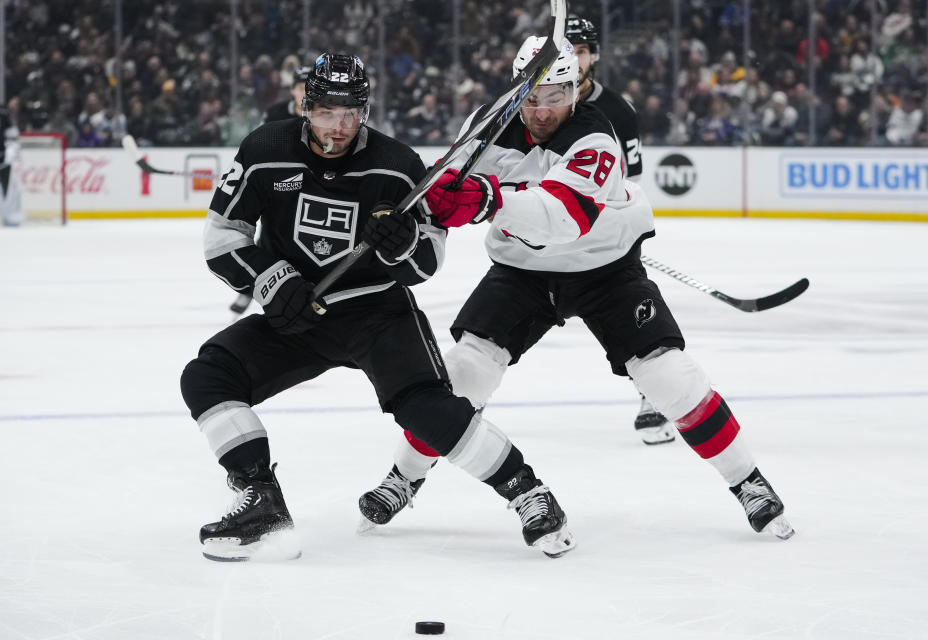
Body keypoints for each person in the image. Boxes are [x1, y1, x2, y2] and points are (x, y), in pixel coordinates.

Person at [358, 36, 795, 542]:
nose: (543, 110)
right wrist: (415, 222)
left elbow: (562, 218)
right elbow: (446, 190)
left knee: (667, 375)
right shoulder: (487, 123)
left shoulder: (596, 137)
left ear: (577, 88)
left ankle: (748, 482)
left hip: (605, 269)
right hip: (522, 273)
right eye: (533, 97)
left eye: (557, 96)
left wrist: (485, 200)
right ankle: (403, 477)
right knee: (463, 374)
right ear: (518, 89)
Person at [179, 53, 575, 562]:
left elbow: (426, 263)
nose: (339, 127)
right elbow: (221, 238)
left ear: (365, 110)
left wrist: (401, 244)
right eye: (327, 113)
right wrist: (271, 280)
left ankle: (528, 492)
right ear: (306, 104)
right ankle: (261, 502)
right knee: (208, 376)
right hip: (297, 311)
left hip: (377, 312)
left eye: (351, 113)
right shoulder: (264, 149)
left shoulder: (398, 165)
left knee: (426, 407)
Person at [566, 16, 672, 443]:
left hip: (602, 239)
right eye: (566, 49)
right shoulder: (533, 104)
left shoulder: (617, 111)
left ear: (594, 56)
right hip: (543, 236)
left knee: (631, 314)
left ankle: (652, 394)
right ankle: (465, 404)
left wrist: (615, 224)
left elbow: (631, 182)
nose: (573, 58)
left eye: (581, 50)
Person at [228, 66, 314, 316]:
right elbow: (257, 147)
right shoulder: (275, 114)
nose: (305, 93)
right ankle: (250, 288)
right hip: (281, 190)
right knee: (269, 239)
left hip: (313, 190)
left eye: (309, 88)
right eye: (300, 88)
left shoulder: (325, 115)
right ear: (292, 91)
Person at [0, 106, 24, 227]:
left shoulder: (3, 115)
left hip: (4, 161)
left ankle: (10, 215)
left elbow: (14, 137)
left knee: (9, 187)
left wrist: (11, 151)